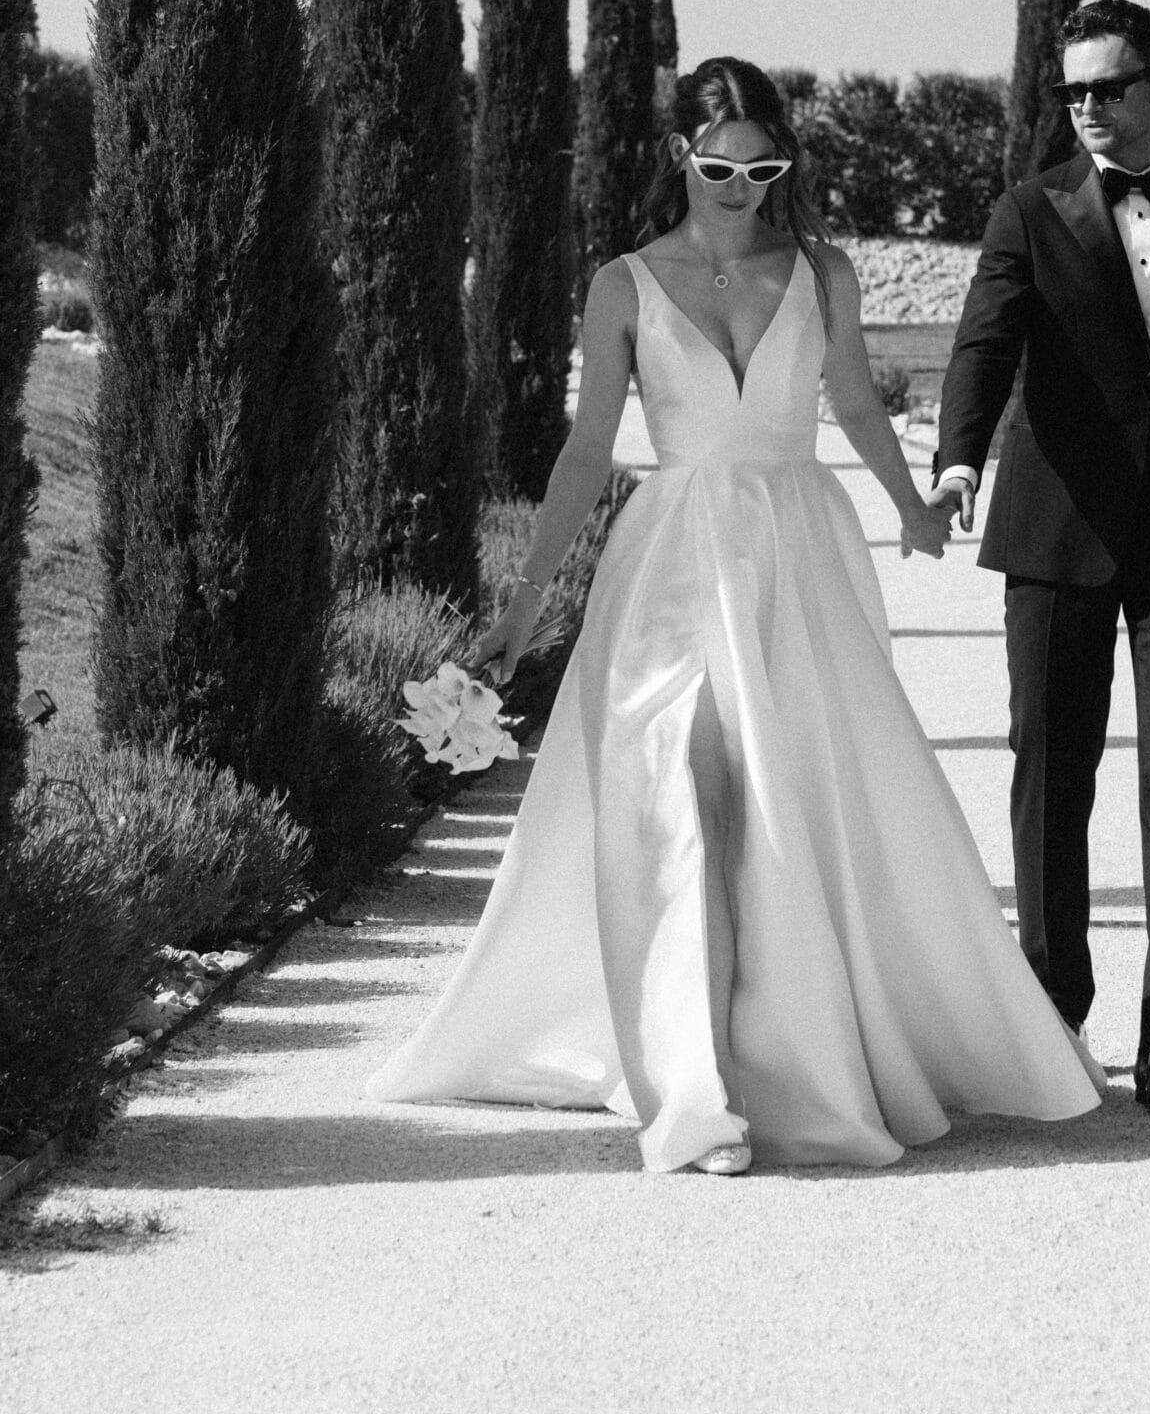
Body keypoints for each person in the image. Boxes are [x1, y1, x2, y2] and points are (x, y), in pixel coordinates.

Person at [367, 57, 1102, 1173]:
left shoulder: (823, 269)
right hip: (668, 564)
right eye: (719, 165)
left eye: (765, 167)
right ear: (681, 157)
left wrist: (912, 505)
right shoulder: (623, 283)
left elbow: (852, 397)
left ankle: (789, 1058)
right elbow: (582, 451)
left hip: (796, 556)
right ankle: (695, 1088)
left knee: (785, 804)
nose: (741, 184)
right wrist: (521, 609)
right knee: (677, 797)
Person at [926, 0, 1150, 1119]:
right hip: (1054, 530)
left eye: (1108, 87)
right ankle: (1053, 1018)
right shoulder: (1027, 211)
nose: (1087, 107)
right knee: (1051, 781)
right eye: (1072, 90)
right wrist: (957, 462)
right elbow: (983, 343)